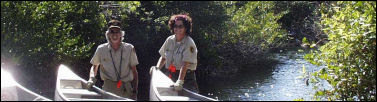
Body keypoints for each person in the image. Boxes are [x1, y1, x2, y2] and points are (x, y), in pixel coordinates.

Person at [87, 20, 139, 100]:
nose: (114, 34)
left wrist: (135, 91)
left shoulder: (129, 48)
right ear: (108, 34)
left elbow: (134, 71)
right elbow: (94, 66)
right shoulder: (101, 49)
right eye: (112, 32)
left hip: (126, 89)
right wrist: (91, 78)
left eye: (117, 32)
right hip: (108, 89)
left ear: (121, 34)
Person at [150, 14, 199, 93]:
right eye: (175, 26)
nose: (177, 28)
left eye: (180, 26)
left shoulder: (189, 43)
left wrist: (180, 81)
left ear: (186, 28)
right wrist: (157, 68)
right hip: (171, 75)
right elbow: (163, 56)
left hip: (186, 78)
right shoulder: (169, 40)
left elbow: (185, 64)